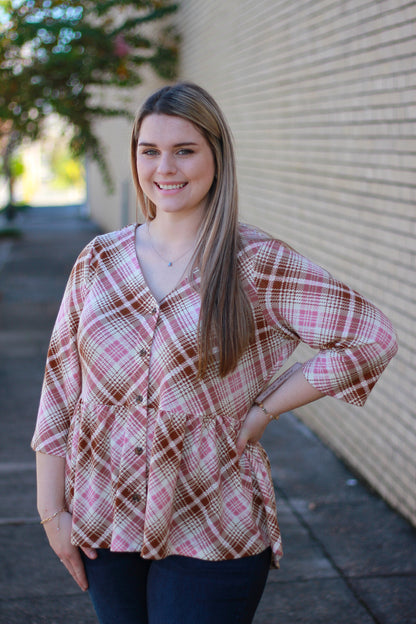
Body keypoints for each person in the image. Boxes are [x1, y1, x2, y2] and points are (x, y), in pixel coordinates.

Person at [32, 82, 398, 624]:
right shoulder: (99, 261)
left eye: (185, 150)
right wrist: (51, 511)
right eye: (149, 150)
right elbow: (61, 387)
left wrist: (265, 407)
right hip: (105, 514)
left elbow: (371, 337)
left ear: (216, 155)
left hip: (212, 519)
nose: (165, 168)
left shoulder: (255, 261)